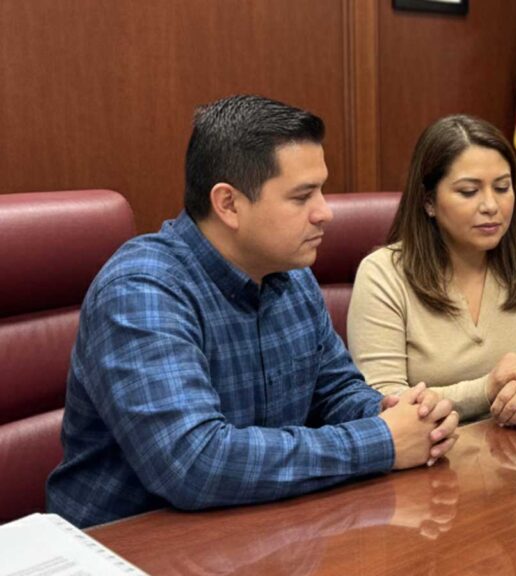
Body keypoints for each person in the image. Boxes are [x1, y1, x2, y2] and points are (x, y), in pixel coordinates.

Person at [47, 95, 458, 528]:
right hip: (124, 547)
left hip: (254, 530)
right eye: (302, 197)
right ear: (228, 204)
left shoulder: (290, 275)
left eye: (321, 190)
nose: (326, 212)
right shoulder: (142, 290)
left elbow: (335, 393)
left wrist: (404, 415)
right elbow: (196, 463)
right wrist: (383, 441)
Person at [347, 115, 516, 426]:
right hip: (431, 456)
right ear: (429, 201)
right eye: (469, 191)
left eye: (502, 187)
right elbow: (385, 402)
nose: (491, 206)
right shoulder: (383, 274)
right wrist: (486, 389)